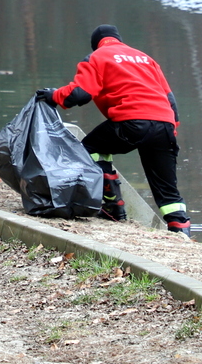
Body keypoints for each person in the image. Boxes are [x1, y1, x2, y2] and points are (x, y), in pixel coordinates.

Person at [35, 25, 190, 239]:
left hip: (132, 120)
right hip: (165, 123)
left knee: (88, 151)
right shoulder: (145, 58)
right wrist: (172, 129)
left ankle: (113, 206)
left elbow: (80, 94)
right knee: (167, 188)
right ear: (119, 39)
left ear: (96, 43)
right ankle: (182, 233)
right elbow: (170, 100)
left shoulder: (97, 57)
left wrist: (54, 95)